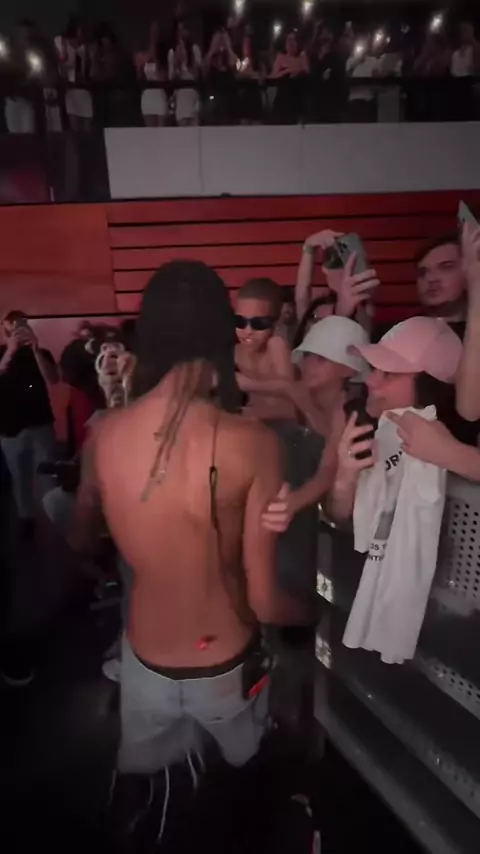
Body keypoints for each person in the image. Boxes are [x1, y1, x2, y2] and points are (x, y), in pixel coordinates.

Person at [69, 261, 306, 778]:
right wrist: (314, 616)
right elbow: (265, 601)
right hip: (224, 667)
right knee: (241, 792)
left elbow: (80, 542)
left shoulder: (104, 435)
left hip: (143, 658)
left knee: (152, 800)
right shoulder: (254, 444)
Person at [325, 316, 463, 524]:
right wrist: (345, 479)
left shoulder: (456, 454)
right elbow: (338, 516)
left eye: (389, 373)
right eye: (374, 368)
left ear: (429, 388)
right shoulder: (364, 426)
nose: (370, 380)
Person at [262, 316, 369, 534]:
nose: (308, 364)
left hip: (338, 522)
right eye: (307, 355)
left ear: (349, 370)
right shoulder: (297, 393)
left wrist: (294, 502)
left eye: (321, 359)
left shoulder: (347, 410)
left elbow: (328, 469)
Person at [0, 311, 58, 536]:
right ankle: (26, 519)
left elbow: (52, 378)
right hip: (10, 426)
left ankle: (53, 517)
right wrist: (11, 350)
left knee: (48, 475)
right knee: (19, 477)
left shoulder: (41, 352)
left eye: (22, 324)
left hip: (40, 422)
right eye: (12, 325)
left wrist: (35, 349)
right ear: (5, 327)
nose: (17, 329)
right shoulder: (2, 353)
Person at [234, 277, 295, 421]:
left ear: (276, 323)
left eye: (259, 323)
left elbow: (290, 393)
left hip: (284, 426)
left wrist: (247, 384)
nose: (248, 331)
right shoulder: (235, 351)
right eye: (240, 321)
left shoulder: (276, 345)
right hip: (255, 423)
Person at [54, 17, 93, 132]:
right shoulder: (63, 43)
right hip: (70, 89)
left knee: (87, 126)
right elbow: (61, 64)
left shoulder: (86, 47)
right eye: (80, 30)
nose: (83, 33)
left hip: (85, 89)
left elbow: (89, 68)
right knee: (74, 126)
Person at [168, 19, 202, 126]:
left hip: (193, 95)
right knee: (182, 131)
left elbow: (197, 75)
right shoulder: (172, 52)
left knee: (194, 129)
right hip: (180, 97)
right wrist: (177, 63)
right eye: (179, 31)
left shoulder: (195, 49)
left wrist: (187, 59)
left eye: (183, 30)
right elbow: (171, 77)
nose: (181, 34)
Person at [271, 30, 309, 124]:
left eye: (293, 40)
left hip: (297, 96)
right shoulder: (280, 57)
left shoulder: (302, 57)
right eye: (289, 41)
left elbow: (307, 72)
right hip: (283, 97)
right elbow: (274, 75)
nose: (291, 43)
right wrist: (287, 71)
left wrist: (298, 71)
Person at [135, 22, 169, 127]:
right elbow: (139, 76)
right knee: (149, 130)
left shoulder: (163, 54)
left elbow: (163, 77)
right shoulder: (141, 55)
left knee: (162, 130)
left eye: (156, 32)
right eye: (153, 32)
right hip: (147, 96)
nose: (154, 35)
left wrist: (156, 58)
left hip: (159, 95)